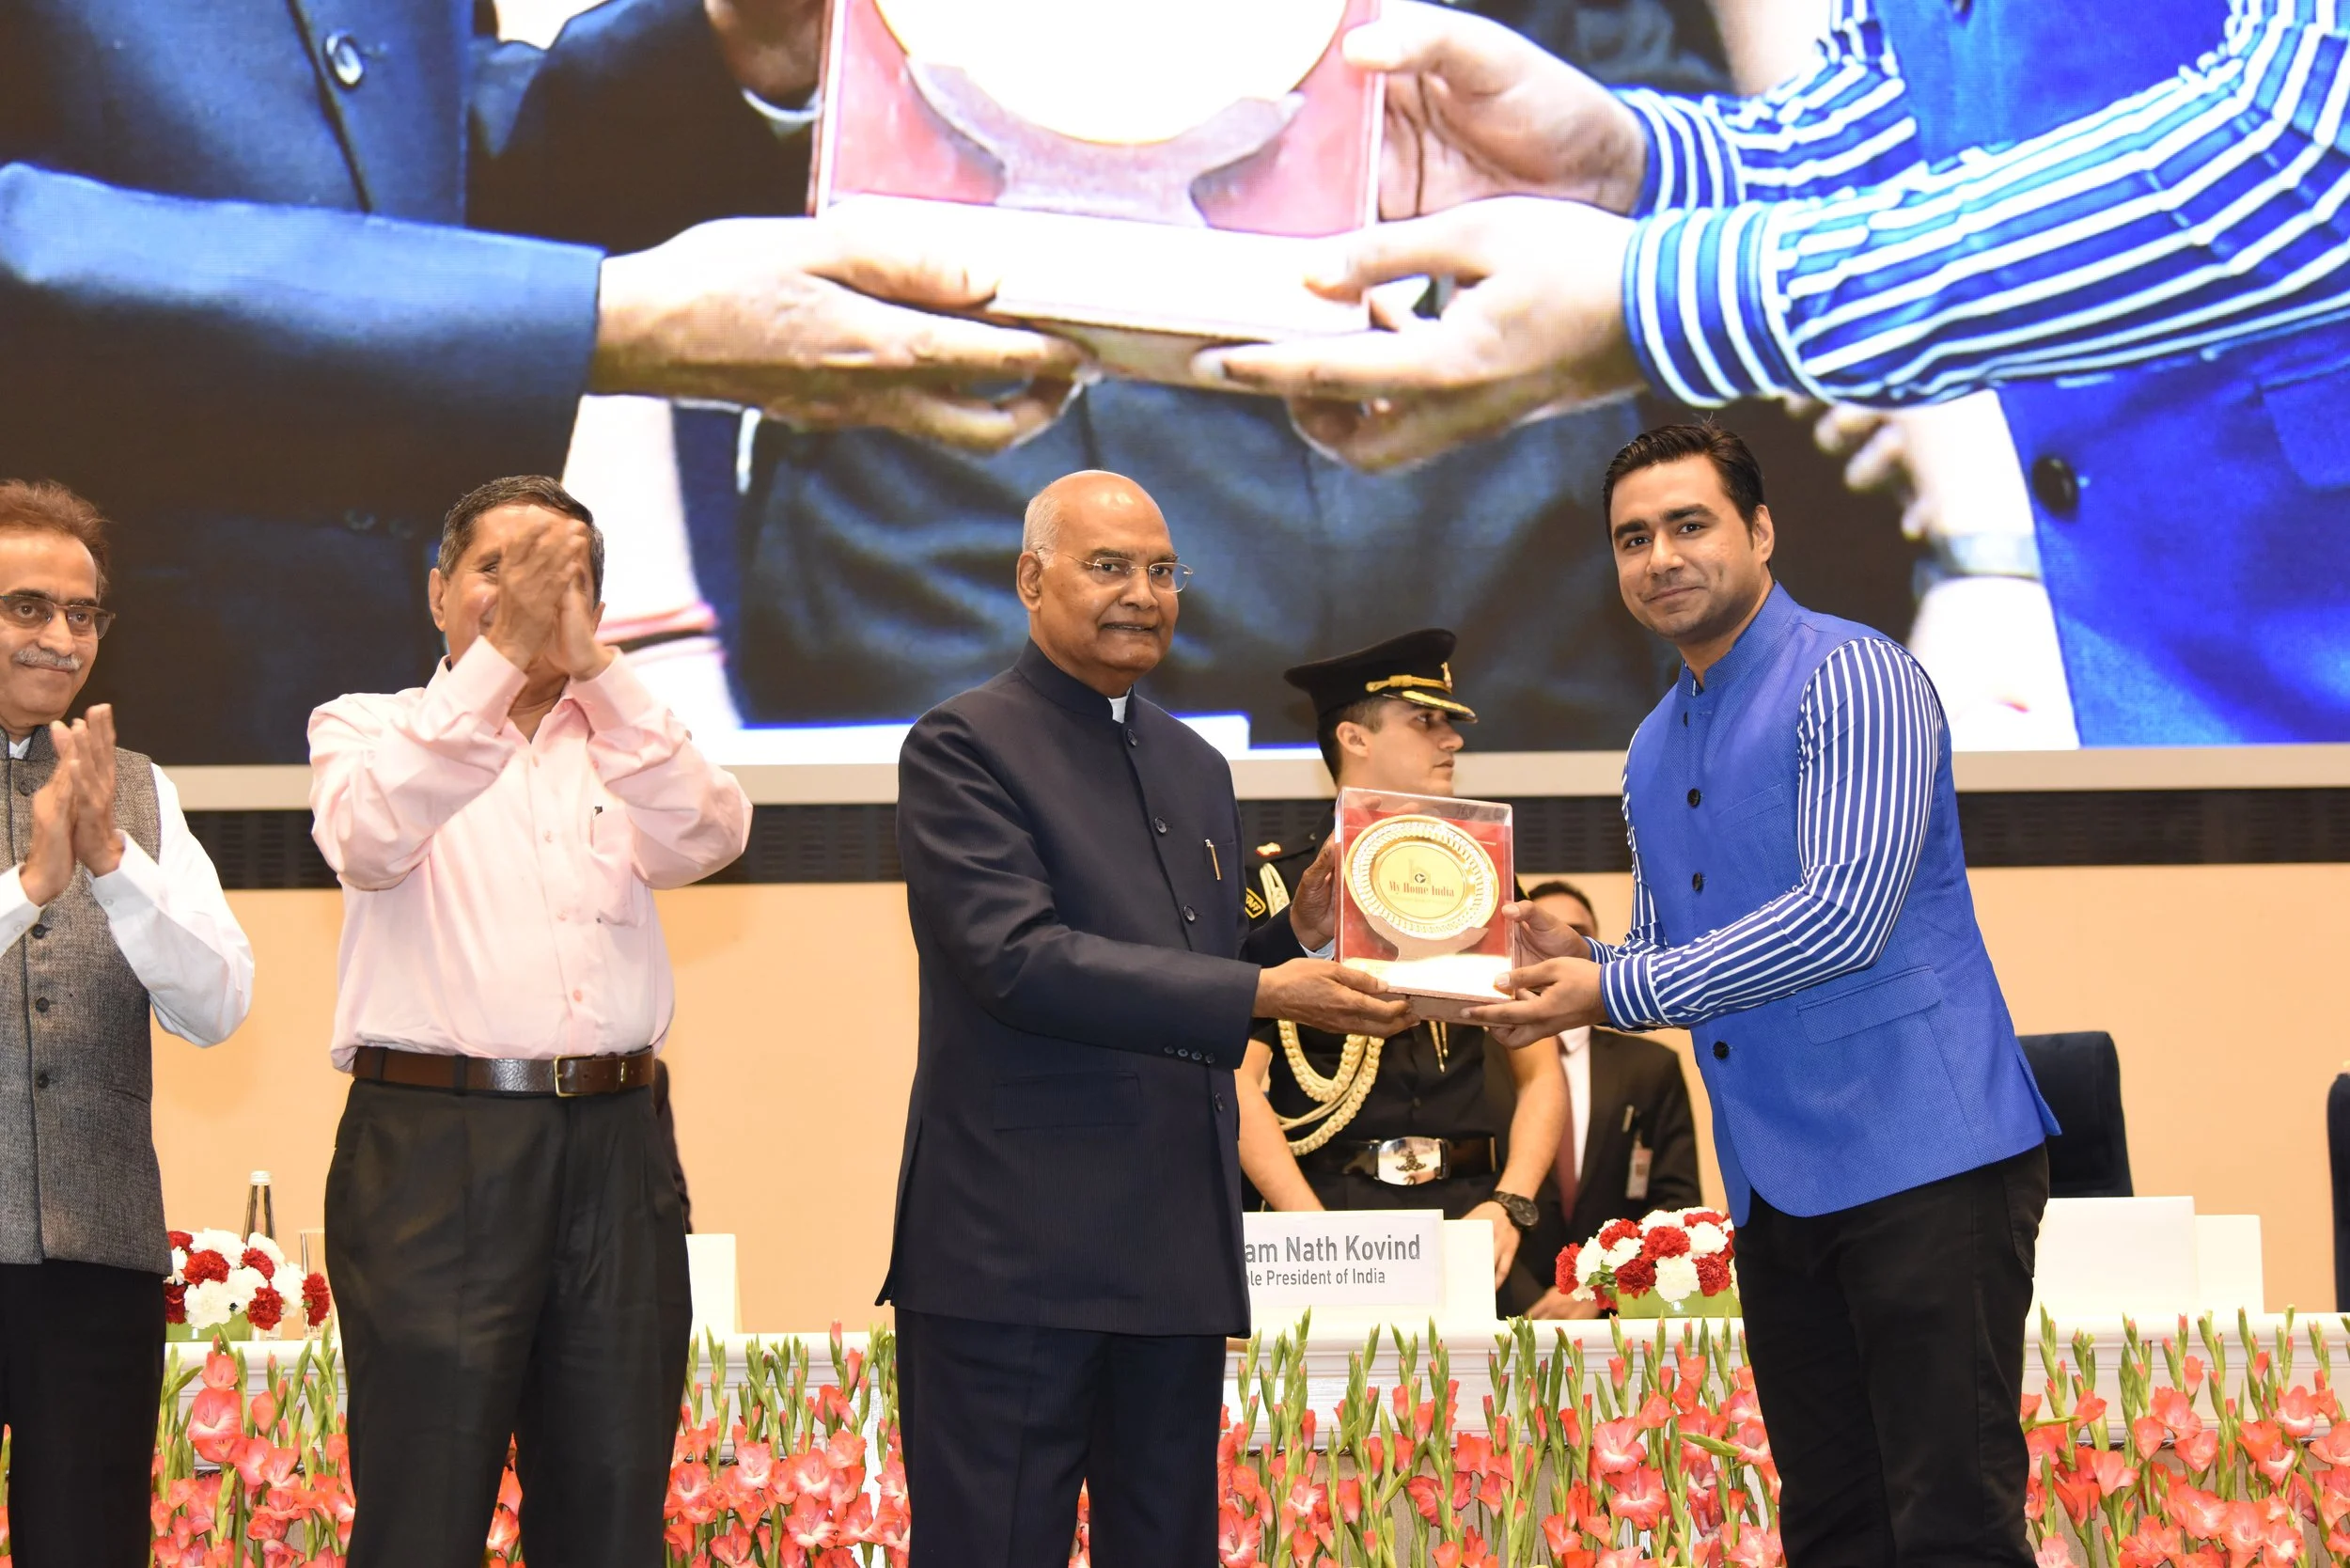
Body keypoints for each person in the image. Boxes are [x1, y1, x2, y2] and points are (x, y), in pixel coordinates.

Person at [1199, 0, 2350, 745]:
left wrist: (1667, 297)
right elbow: (1911, 108)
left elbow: (2304, 150)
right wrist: (1640, 166)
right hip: (2172, 674)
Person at [5, 0, 1083, 761]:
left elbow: (412, 148)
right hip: (83, 726)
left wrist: (731, 44)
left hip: (384, 737)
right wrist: (595, 319)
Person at [1464, 425, 2058, 1564]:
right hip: (1777, 1187)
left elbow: (1840, 917)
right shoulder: (1648, 744)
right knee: (1832, 1523)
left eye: (1689, 525)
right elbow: (1677, 951)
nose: (1659, 557)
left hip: (1923, 1158)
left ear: (1762, 530)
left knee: (1950, 1524)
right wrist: (1559, 949)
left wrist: (1613, 982)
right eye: (1632, 538)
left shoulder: (1855, 675)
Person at [885, 470, 1412, 1567]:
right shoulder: (962, 744)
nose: (1143, 593)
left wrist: (1297, 939)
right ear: (1031, 579)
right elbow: (1016, 962)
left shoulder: (1194, 761)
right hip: (1012, 1255)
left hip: (1172, 1249)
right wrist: (1261, 992)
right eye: (1108, 566)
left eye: (1163, 571)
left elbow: (1191, 971)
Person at [308, 475, 751, 1567]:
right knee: (425, 1500)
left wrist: (596, 672)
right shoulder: (369, 727)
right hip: (435, 1152)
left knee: (610, 1500)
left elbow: (710, 835)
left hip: (619, 1147)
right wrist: (502, 663)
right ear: (438, 593)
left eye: (563, 580)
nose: (525, 597)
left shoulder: (625, 739)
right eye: (496, 569)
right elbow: (366, 841)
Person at [0, 481, 254, 1566]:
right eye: (26, 607)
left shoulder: (141, 793)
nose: (60, 637)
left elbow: (219, 1006)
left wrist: (111, 867)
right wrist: (29, 883)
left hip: (94, 1262)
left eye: (82, 613)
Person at [1235, 630, 1565, 1316]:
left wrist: (1511, 1202)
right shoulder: (1278, 891)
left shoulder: (1485, 881)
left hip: (1466, 1220)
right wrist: (1310, 1230)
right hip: (1329, 1214)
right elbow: (1235, 1081)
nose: (1452, 741)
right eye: (1426, 721)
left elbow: (1542, 1072)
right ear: (1354, 738)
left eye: (1448, 723)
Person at [1512, 880, 1702, 1321]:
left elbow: (1674, 1200)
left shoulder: (1651, 1067)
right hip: (1501, 1312)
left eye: (1574, 934)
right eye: (1537, 936)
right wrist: (1527, 1301)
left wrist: (1598, 1289)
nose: (1554, 952)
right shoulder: (1483, 1062)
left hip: (1619, 1320)